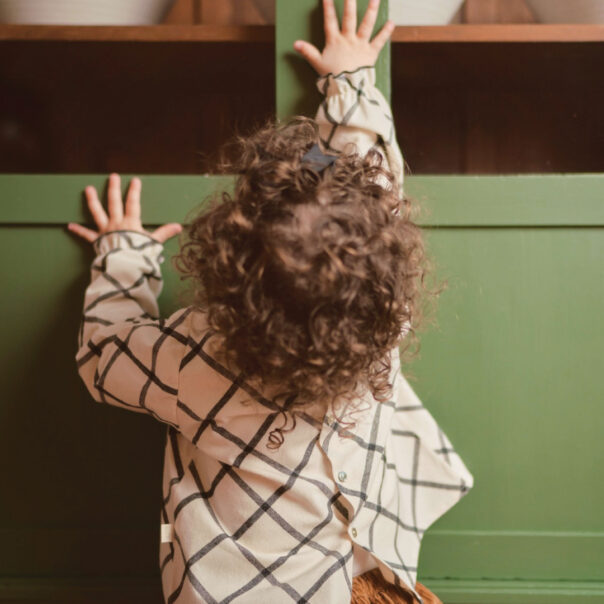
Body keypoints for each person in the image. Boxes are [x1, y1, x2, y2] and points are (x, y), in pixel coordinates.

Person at [67, 0, 473, 602]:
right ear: (388, 266)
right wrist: (350, 82)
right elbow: (372, 179)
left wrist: (125, 254)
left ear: (225, 273)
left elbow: (104, 354)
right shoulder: (385, 323)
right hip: (359, 573)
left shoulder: (196, 355)